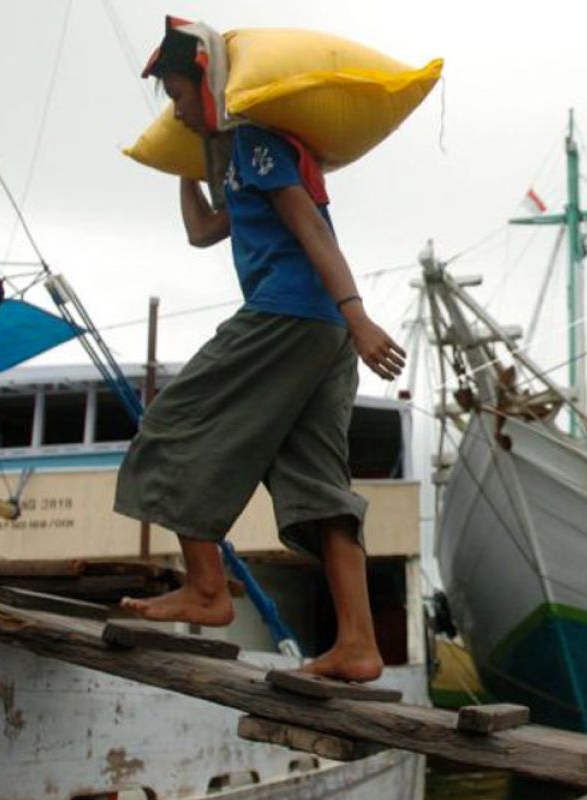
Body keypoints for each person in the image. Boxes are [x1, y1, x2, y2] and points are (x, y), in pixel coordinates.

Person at [113, 21, 407, 685]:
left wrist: (359, 317)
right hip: (319, 332)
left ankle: (208, 590)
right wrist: (183, 165)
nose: (177, 106)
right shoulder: (234, 156)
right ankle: (360, 646)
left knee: (175, 423)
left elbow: (311, 228)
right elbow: (202, 232)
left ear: (209, 79)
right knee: (316, 487)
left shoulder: (255, 142)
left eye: (181, 92)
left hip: (292, 314)